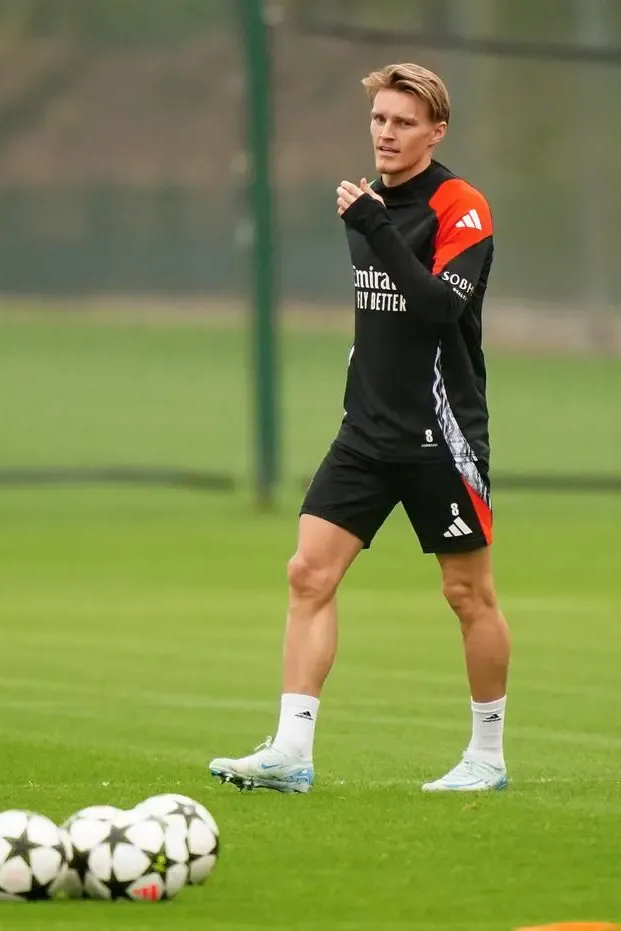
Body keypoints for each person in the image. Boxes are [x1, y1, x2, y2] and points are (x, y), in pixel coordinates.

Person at [209, 62, 510, 793]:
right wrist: (372, 220)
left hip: (441, 433)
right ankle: (291, 750)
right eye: (379, 119)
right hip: (366, 431)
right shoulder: (368, 205)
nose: (386, 132)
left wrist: (375, 225)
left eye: (404, 122)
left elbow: (440, 307)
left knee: (467, 594)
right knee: (307, 571)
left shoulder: (460, 206)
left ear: (436, 131)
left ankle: (487, 755)